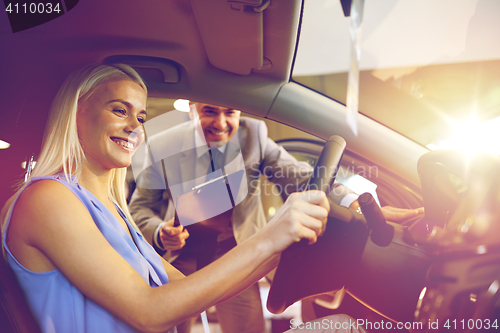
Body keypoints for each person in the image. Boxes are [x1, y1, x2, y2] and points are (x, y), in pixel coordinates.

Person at [0, 63, 368, 333]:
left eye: (141, 116)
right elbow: (148, 310)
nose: (134, 126)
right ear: (76, 110)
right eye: (119, 110)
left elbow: (299, 176)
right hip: (191, 257)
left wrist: (346, 205)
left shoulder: (112, 211)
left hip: (228, 254)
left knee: (343, 325)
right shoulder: (48, 199)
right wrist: (270, 237)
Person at [129, 101, 424, 332]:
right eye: (209, 112)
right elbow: (139, 208)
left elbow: (300, 177)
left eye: (229, 112)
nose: (221, 123)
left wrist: (354, 203)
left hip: (235, 255)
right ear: (193, 108)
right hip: (180, 259)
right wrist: (160, 232)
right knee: (164, 328)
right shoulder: (163, 146)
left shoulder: (254, 135)